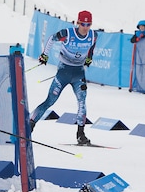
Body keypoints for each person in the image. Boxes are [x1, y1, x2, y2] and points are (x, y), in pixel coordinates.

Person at [30, 10, 97, 146]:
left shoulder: (93, 35)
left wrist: (89, 58)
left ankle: (80, 134)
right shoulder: (68, 33)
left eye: (88, 24)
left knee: (82, 102)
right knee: (50, 101)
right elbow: (51, 39)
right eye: (83, 24)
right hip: (64, 72)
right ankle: (29, 125)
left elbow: (92, 46)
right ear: (78, 22)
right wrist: (45, 55)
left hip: (78, 73)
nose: (85, 27)